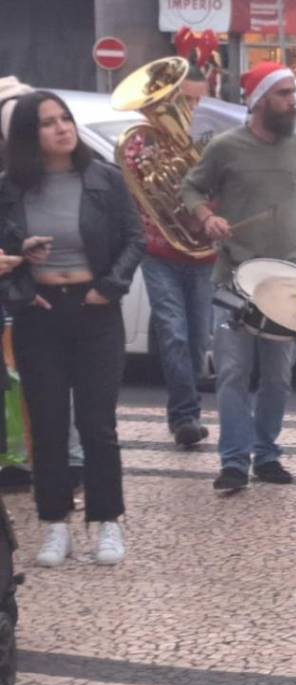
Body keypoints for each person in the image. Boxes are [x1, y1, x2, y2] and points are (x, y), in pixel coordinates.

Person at [181, 62, 296, 494]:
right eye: (284, 93)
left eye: (294, 93)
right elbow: (190, 189)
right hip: (235, 277)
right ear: (259, 101)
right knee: (234, 373)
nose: (293, 101)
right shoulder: (225, 148)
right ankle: (234, 462)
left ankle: (266, 453)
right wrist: (207, 217)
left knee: (279, 376)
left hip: (287, 277)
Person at [0, 91, 146, 566]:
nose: (63, 128)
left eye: (65, 118)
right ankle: (54, 524)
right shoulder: (10, 187)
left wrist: (111, 286)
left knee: (97, 424)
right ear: (28, 135)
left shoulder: (103, 177)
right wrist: (22, 273)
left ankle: (107, 522)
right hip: (38, 313)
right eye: (48, 123)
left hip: (94, 308)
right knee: (48, 425)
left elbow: (133, 237)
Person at [134, 63, 216, 448]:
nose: (191, 108)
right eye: (185, 100)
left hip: (201, 253)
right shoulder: (138, 143)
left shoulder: (211, 142)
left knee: (199, 339)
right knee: (173, 334)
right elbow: (136, 192)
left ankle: (183, 411)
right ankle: (185, 418)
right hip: (160, 250)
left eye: (197, 100)